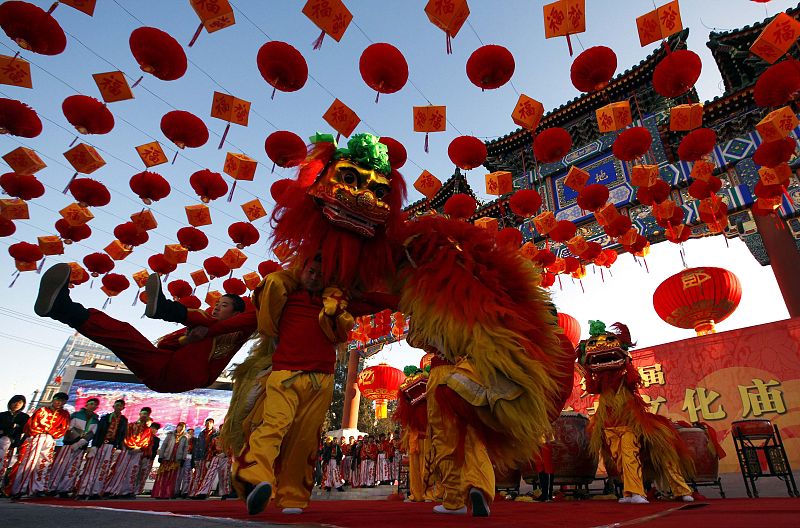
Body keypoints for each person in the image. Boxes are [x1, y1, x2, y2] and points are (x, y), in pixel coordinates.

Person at [232, 256, 395, 515]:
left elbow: (373, 302)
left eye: (321, 274)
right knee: (274, 426)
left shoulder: (336, 305)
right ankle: (254, 477)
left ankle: (293, 497)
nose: (315, 277)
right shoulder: (284, 295)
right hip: (286, 375)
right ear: (301, 270)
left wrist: (410, 300)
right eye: (311, 271)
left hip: (322, 382)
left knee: (305, 441)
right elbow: (243, 320)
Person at [34, 264, 257, 393]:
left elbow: (250, 317)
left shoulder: (240, 329)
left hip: (190, 376)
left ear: (237, 313)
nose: (216, 307)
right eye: (216, 304)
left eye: (223, 305)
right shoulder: (198, 326)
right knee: (124, 333)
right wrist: (186, 341)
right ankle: (62, 309)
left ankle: (165, 309)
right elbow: (163, 344)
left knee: (206, 323)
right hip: (162, 367)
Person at [579, 321, 694, 505]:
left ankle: (675, 489)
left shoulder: (624, 375)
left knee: (637, 454)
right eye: (593, 344)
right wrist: (586, 368)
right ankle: (629, 493)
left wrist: (627, 362)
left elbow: (633, 382)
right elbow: (592, 387)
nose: (601, 345)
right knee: (619, 459)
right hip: (608, 423)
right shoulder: (601, 381)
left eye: (609, 340)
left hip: (628, 421)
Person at [5, 392, 70, 498]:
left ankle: (37, 488)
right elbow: (32, 424)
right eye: (58, 400)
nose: (60, 403)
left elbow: (63, 429)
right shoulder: (42, 410)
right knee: (29, 462)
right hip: (36, 437)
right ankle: (19, 489)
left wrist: (51, 433)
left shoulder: (65, 414)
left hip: (50, 439)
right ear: (53, 400)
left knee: (44, 463)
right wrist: (44, 430)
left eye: (63, 401)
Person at [47, 397, 99, 497]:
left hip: (81, 447)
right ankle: (51, 488)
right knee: (60, 466)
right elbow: (69, 427)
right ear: (86, 405)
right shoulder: (76, 415)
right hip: (69, 444)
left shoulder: (95, 420)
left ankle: (65, 489)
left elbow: (92, 433)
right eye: (91, 403)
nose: (93, 406)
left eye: (95, 405)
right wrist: (76, 439)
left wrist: (80, 442)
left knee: (73, 468)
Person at [76, 399, 127, 499]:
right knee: (92, 467)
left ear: (123, 408)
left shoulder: (123, 420)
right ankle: (83, 491)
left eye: (120, 406)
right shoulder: (105, 418)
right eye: (117, 405)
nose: (118, 407)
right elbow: (98, 432)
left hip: (111, 446)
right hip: (100, 444)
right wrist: (94, 445)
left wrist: (119, 447)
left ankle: (96, 492)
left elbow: (122, 434)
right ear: (113, 406)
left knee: (104, 469)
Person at [104, 407, 153, 498]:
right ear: (139, 414)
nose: (144, 416)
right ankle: (112, 489)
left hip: (138, 452)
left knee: (132, 471)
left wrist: (139, 448)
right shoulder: (130, 425)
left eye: (146, 414)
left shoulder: (148, 429)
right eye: (143, 413)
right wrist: (127, 446)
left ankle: (126, 491)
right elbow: (125, 436)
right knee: (120, 470)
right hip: (126, 450)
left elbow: (147, 441)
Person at [151, 422, 188, 499]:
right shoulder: (170, 435)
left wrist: (183, 459)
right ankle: (159, 493)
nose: (180, 429)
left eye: (182, 427)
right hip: (167, 458)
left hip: (176, 460)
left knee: (172, 478)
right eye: (179, 427)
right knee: (162, 476)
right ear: (177, 427)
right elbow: (164, 445)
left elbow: (185, 449)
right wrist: (161, 456)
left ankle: (167, 494)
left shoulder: (184, 438)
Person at [0, 395, 29, 489]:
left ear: (23, 405)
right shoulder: (2, 415)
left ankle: (2, 486)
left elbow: (25, 431)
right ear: (10, 403)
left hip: (12, 444)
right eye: (15, 402)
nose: (17, 404)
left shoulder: (24, 417)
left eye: (20, 403)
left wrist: (19, 443)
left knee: (6, 465)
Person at [189, 418, 217, 498]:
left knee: (206, 476)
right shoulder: (201, 433)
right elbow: (197, 446)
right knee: (198, 475)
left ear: (212, 424)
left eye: (210, 423)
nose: (208, 424)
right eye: (207, 423)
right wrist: (195, 458)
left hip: (210, 457)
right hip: (200, 457)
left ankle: (203, 493)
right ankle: (194, 492)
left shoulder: (216, 434)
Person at [135, 422, 161, 496]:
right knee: (136, 472)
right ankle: (132, 489)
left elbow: (155, 449)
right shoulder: (144, 436)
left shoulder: (157, 439)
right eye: (152, 428)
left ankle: (138, 490)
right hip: (141, 456)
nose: (153, 430)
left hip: (149, 458)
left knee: (144, 474)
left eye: (155, 429)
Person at [175, 428, 195, 498]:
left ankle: (185, 492)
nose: (190, 433)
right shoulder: (182, 439)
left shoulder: (195, 440)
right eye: (189, 432)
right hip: (181, 458)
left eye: (192, 432)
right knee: (178, 475)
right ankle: (176, 492)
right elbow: (179, 448)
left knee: (187, 476)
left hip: (189, 457)